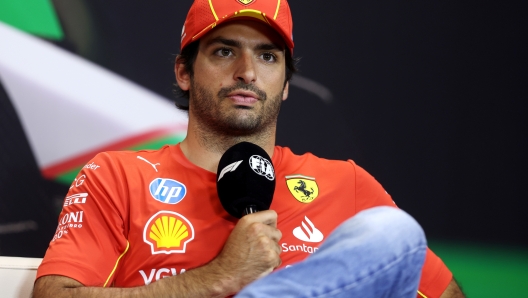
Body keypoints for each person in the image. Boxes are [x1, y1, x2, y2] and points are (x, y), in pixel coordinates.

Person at [33, 0, 465, 297]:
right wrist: (219, 278)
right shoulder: (118, 176)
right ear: (184, 72)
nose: (247, 73)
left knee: (396, 234)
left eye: (268, 57)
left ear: (287, 84)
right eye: (224, 52)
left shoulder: (345, 185)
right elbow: (54, 295)